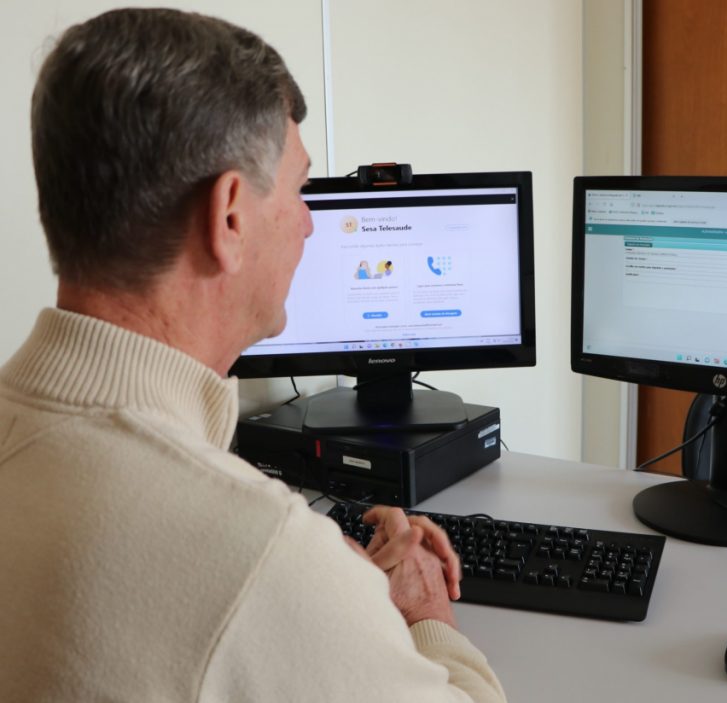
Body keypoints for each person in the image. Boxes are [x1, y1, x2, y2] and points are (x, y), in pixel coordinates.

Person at [0, 9, 504, 702]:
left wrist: (314, 586)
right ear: (230, 216)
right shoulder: (259, 553)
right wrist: (421, 611)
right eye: (299, 189)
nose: (309, 223)